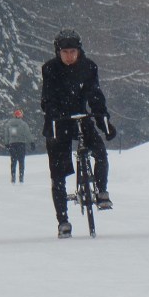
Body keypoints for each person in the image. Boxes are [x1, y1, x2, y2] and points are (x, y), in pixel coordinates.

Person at [40, 29, 117, 238]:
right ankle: (63, 220)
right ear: (58, 52)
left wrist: (103, 120)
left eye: (73, 51)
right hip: (59, 120)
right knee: (58, 172)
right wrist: (54, 117)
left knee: (100, 152)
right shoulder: (50, 69)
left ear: (79, 51)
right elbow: (47, 98)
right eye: (65, 52)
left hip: (82, 117)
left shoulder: (88, 67)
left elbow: (95, 95)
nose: (69, 56)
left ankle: (102, 191)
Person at [1, 109, 34, 183]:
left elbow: (7, 135)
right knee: (21, 161)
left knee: (13, 161)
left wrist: (7, 143)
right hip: (21, 144)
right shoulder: (24, 124)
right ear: (21, 115)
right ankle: (21, 178)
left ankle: (13, 177)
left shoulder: (9, 124)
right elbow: (28, 134)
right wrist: (31, 142)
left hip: (12, 144)